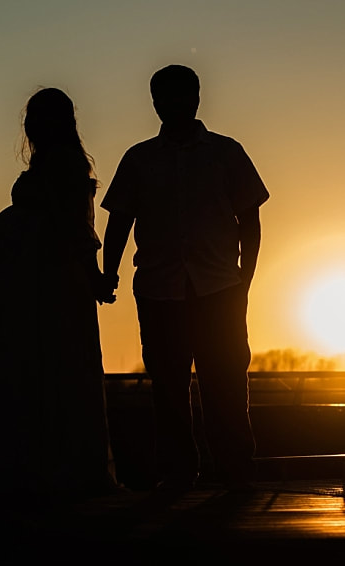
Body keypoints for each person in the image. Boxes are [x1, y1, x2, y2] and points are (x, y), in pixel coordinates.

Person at [99, 64, 269, 492]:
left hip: (219, 289)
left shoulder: (226, 153)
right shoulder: (140, 159)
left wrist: (244, 282)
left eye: (181, 96)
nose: (173, 104)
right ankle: (178, 473)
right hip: (160, 291)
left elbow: (250, 219)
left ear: (196, 98)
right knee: (169, 386)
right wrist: (109, 272)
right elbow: (119, 219)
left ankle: (234, 469)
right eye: (164, 97)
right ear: (154, 102)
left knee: (226, 380)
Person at [0, 87, 119, 503]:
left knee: (36, 370)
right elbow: (80, 232)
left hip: (40, 288)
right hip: (42, 287)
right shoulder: (65, 163)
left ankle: (35, 468)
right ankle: (54, 468)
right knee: (55, 371)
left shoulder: (58, 165)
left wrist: (93, 277)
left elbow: (77, 234)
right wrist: (97, 279)